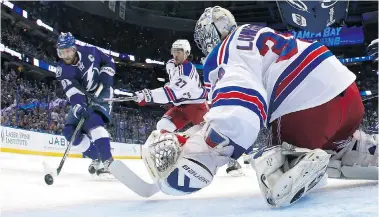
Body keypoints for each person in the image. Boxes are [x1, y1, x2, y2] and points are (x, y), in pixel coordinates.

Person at [140, 6, 378, 207]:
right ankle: (354, 147)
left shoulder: (225, 52)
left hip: (308, 104)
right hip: (347, 93)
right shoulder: (256, 33)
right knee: (334, 142)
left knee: (271, 164)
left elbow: (240, 109)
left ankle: (293, 161)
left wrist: (204, 152)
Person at [115, 39, 208, 134]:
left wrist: (148, 95)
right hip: (179, 106)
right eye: (174, 52)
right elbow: (171, 71)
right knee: (163, 126)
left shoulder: (187, 71)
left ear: (186, 53)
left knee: (205, 135)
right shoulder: (171, 64)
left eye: (179, 52)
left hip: (196, 107)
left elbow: (172, 93)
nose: (175, 55)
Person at [56, 32, 115, 176]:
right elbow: (72, 92)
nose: (66, 56)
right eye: (62, 52)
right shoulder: (62, 70)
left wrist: (106, 74)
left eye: (68, 51)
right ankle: (98, 156)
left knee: (93, 121)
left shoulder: (91, 52)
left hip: (102, 91)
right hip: (83, 97)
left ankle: (108, 161)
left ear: (74, 48)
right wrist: (79, 106)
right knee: (70, 133)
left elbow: (110, 61)